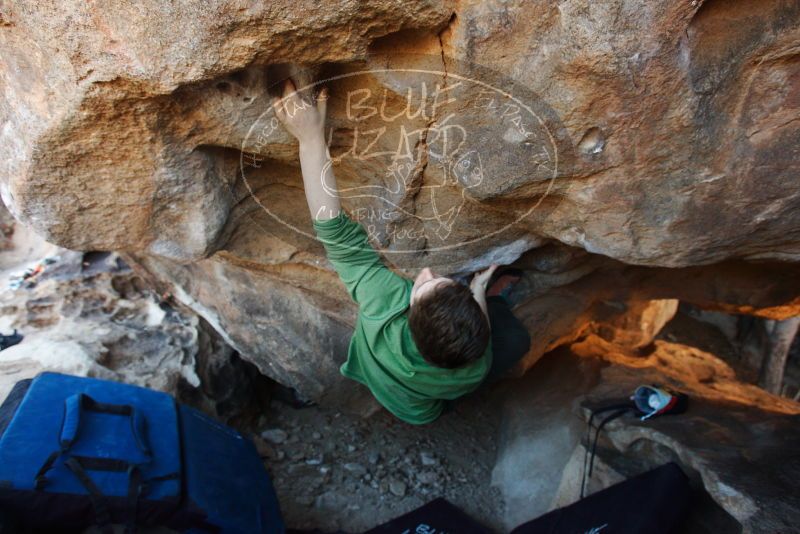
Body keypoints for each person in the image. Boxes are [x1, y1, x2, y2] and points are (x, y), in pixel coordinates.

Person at [271, 78, 531, 424]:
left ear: (409, 315)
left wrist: (310, 139)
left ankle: (484, 309)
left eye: (423, 287)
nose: (425, 273)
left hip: (393, 387)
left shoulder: (384, 302)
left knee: (494, 333)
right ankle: (494, 307)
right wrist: (480, 290)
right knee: (515, 339)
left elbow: (332, 228)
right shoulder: (473, 370)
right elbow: (478, 340)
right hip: (422, 409)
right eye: (441, 281)